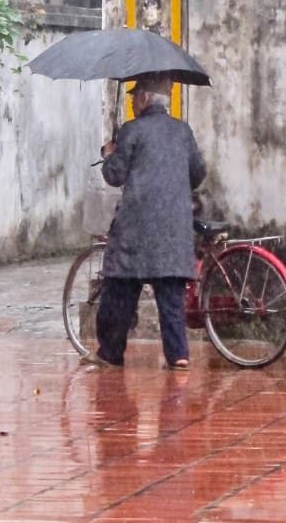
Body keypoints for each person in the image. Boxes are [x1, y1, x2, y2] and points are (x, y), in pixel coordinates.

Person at [91, 73, 207, 370]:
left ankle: (110, 352)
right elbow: (198, 173)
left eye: (133, 96)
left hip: (137, 230)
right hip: (174, 228)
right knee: (171, 297)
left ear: (144, 98)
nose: (131, 102)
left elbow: (114, 175)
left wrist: (109, 154)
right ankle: (179, 355)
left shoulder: (133, 131)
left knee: (121, 290)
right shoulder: (183, 131)